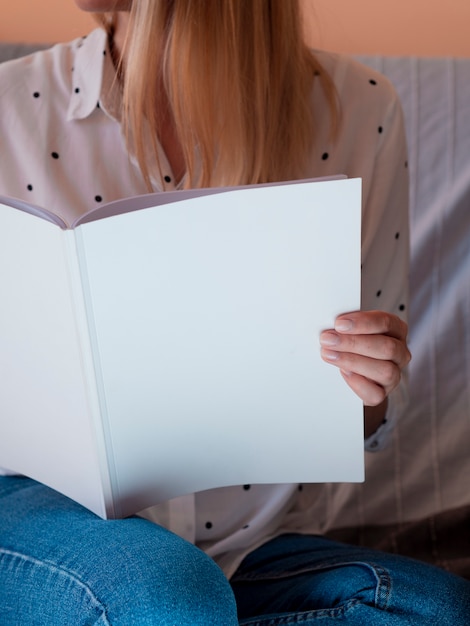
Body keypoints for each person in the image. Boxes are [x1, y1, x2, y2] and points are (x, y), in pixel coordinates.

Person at [0, 1, 469, 624]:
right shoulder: (11, 107)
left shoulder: (362, 110)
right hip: (46, 519)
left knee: (435, 609)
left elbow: (366, 421)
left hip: (252, 548)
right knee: (166, 597)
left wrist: (369, 381)